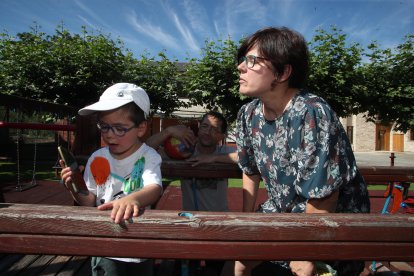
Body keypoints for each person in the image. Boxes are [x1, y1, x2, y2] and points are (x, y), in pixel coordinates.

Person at [234, 27, 370, 276]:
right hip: (284, 215)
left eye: (252, 60)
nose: (241, 67)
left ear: (284, 72)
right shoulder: (248, 114)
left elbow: (323, 196)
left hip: (332, 224)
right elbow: (250, 170)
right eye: (242, 59)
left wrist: (305, 251)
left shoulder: (311, 112)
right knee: (238, 264)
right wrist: (247, 224)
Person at [60, 83, 163, 276]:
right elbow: (90, 200)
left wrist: (132, 199)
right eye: (104, 126)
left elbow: (154, 188)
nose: (109, 134)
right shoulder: (97, 159)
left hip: (140, 242)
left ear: (141, 128)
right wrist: (75, 188)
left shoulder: (148, 157)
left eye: (119, 128)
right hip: (105, 241)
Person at [146, 111, 237, 275]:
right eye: (204, 126)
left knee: (216, 269)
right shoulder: (183, 151)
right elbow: (146, 150)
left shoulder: (224, 152)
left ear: (221, 136)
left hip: (218, 223)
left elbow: (247, 156)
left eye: (214, 129)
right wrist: (169, 131)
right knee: (185, 269)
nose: (207, 132)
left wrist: (212, 159)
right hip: (190, 223)